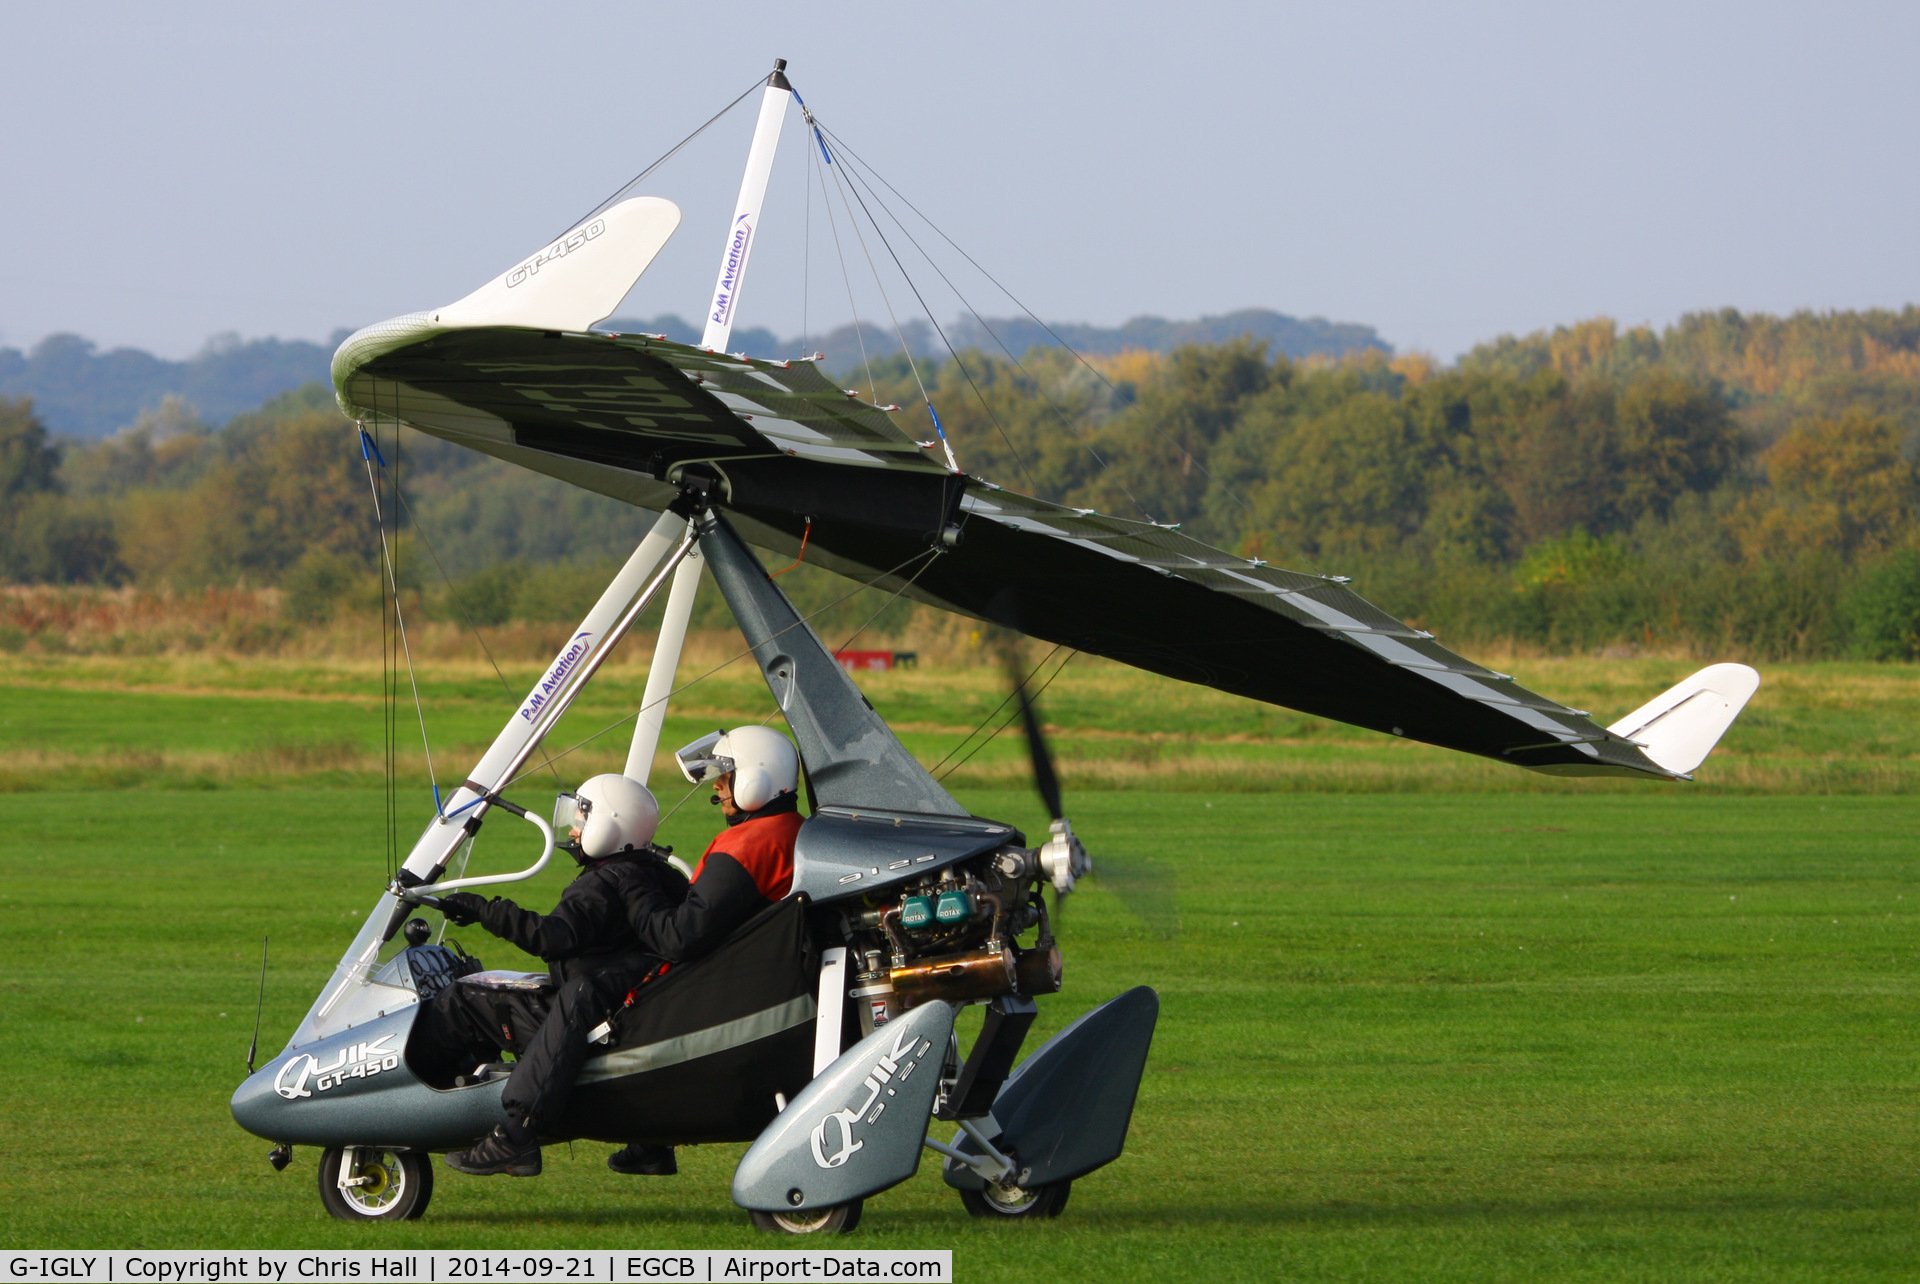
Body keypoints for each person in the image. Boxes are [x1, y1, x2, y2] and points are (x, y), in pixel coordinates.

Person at [415, 773, 687, 1178]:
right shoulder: (657, 874)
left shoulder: (604, 883)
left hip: (596, 1016)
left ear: (608, 827)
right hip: (630, 1008)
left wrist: (482, 910)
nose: (574, 830)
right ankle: (650, 1142)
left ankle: (487, 1129)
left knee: (462, 999)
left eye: (581, 821)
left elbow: (551, 938)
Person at [603, 726, 803, 1177]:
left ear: (759, 778)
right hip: (759, 972)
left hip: (722, 986)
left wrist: (632, 887)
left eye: (726, 776)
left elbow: (681, 937)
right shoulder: (789, 830)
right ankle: (648, 1139)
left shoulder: (750, 844)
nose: (717, 785)